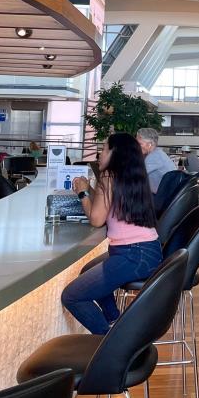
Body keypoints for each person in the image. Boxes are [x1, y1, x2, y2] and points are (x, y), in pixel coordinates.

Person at [62, 132, 163, 335]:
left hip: (133, 255)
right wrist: (90, 189)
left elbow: (97, 219)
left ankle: (111, 343)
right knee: (86, 273)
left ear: (115, 153)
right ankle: (113, 319)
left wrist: (82, 192)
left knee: (72, 296)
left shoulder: (109, 175)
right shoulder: (129, 174)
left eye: (105, 148)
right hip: (147, 251)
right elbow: (107, 205)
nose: (100, 154)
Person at [136, 128, 175, 193]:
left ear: (149, 144)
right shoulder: (158, 153)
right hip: (166, 195)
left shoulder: (154, 156)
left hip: (162, 198)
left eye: (140, 144)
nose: (136, 146)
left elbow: (136, 175)